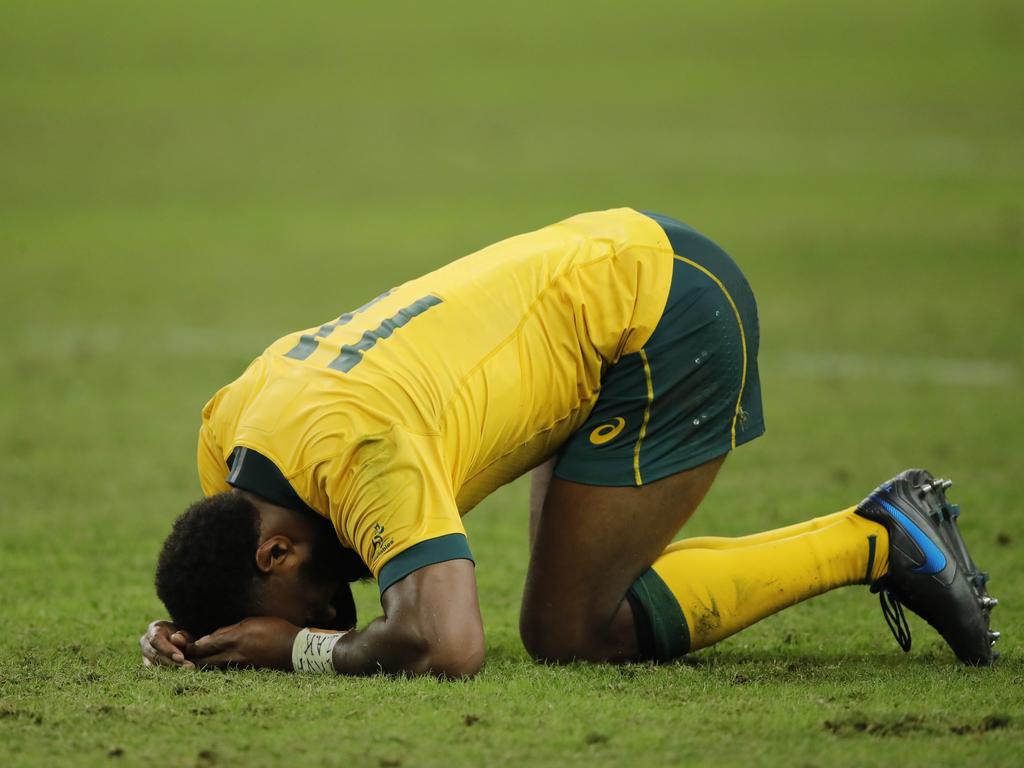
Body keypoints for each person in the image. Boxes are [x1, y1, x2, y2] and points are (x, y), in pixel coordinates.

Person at [140, 208, 999, 676]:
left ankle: (881, 538)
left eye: (310, 607)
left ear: (279, 552)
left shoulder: (363, 450)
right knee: (559, 626)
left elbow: (448, 644)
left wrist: (301, 649)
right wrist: (193, 632)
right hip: (602, 273)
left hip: (667, 315)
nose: (333, 614)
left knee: (578, 631)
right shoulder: (230, 437)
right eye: (317, 622)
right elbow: (229, 569)